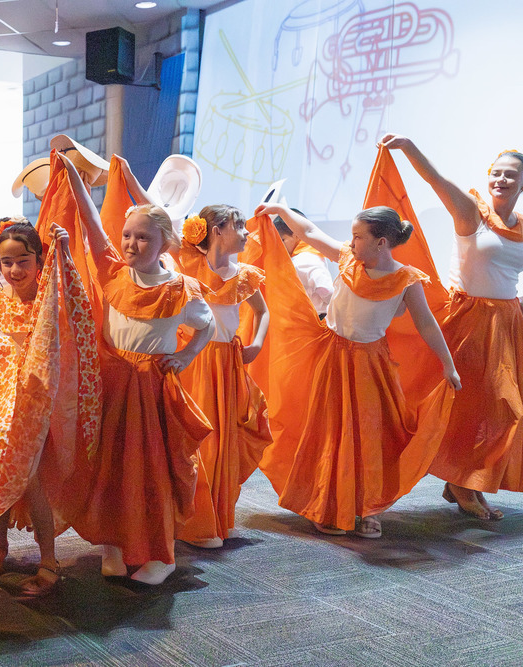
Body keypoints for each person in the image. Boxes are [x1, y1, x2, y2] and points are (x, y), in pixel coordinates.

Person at [56, 152, 215, 585]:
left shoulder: (181, 289)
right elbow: (91, 227)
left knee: (151, 472)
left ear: (164, 244)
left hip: (149, 389)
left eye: (142, 238)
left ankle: (159, 555)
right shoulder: (113, 271)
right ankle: (114, 542)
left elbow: (208, 325)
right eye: (127, 236)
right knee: (110, 467)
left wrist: (185, 356)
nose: (130, 244)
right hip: (113, 383)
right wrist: (74, 178)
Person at [255, 202, 460, 538]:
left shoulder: (406, 280)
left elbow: (427, 324)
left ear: (382, 242)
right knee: (330, 433)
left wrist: (448, 365)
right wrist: (280, 206)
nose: (351, 243)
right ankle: (325, 503)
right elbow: (308, 231)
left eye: (358, 237)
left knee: (369, 439)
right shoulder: (347, 259)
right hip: (332, 357)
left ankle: (368, 507)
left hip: (369, 364)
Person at [381, 136, 523, 520]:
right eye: (496, 173)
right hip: (469, 321)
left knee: (496, 410)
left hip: (507, 322)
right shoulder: (471, 213)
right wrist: (410, 147)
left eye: (511, 176)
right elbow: (436, 180)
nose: (501, 180)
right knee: (481, 406)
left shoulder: (522, 228)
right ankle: (462, 483)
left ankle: (464, 482)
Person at [0, 222, 89, 596]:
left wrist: (66, 255)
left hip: (37, 403)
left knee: (33, 479)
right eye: (6, 262)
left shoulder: (51, 300)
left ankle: (48, 559)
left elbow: (81, 310)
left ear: (40, 260)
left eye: (23, 260)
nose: (14, 271)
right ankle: (0, 544)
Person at [173, 205, 272, 547]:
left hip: (227, 363)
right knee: (198, 439)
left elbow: (262, 311)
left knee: (222, 440)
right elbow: (161, 222)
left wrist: (257, 344)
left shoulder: (244, 274)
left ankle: (212, 517)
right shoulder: (189, 264)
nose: (247, 234)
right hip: (195, 361)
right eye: (240, 226)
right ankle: (194, 518)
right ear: (216, 230)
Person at [273, 209, 333, 317]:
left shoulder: (305, 260)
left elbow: (327, 290)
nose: (279, 246)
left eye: (282, 240)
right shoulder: (310, 254)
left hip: (313, 322)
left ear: (297, 235)